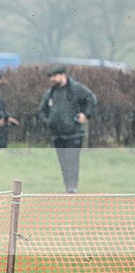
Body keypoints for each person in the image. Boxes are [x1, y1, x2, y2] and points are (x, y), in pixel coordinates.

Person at [38, 65, 97, 193]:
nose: (52, 79)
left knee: (72, 160)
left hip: (74, 133)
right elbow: (42, 111)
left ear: (63, 75)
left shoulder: (76, 88)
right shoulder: (50, 93)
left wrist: (86, 114)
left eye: (54, 76)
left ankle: (72, 187)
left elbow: (91, 99)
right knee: (63, 163)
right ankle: (68, 187)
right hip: (58, 134)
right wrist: (48, 122)